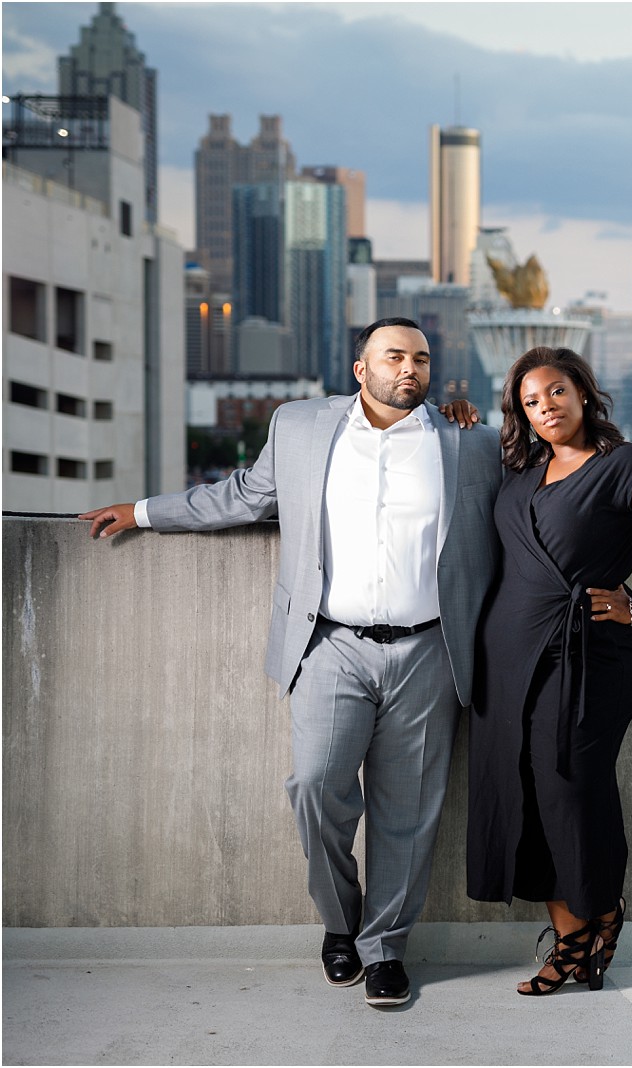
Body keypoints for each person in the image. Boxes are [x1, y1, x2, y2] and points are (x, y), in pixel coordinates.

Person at [79, 317, 501, 1009]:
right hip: (328, 642)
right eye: (394, 356)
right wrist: (144, 511)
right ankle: (341, 923)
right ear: (360, 369)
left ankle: (385, 948)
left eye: (422, 359)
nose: (410, 370)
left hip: (432, 648)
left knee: (410, 812)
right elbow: (245, 495)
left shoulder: (471, 441)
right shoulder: (302, 426)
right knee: (314, 785)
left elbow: (535, 499)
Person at [465, 346, 632, 995]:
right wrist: (455, 419)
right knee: (523, 791)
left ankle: (603, 913)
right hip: (509, 660)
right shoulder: (520, 472)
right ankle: (573, 941)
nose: (544, 407)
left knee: (571, 787)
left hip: (588, 659)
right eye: (529, 401)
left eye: (554, 393)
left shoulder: (626, 466)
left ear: (582, 392)